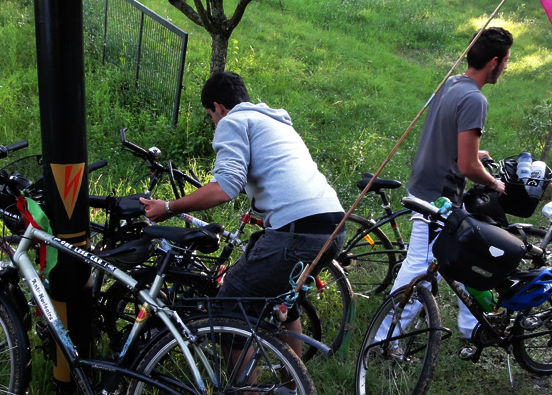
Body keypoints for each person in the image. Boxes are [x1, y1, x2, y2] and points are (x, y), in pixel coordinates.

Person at [140, 71, 345, 357]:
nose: (213, 123)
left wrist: (169, 207)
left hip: (298, 233)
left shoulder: (233, 121)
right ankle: (293, 384)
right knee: (284, 296)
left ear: (218, 107)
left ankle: (242, 390)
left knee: (229, 307)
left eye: (210, 116)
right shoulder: (276, 123)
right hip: (334, 227)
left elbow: (225, 187)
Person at [377, 26, 512, 344]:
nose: (506, 67)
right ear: (493, 61)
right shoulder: (475, 100)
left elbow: (450, 141)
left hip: (427, 182)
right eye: (506, 61)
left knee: (467, 251)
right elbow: (467, 167)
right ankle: (385, 335)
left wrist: (476, 153)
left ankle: (471, 326)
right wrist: (495, 183)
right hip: (437, 194)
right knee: (419, 266)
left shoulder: (451, 83)